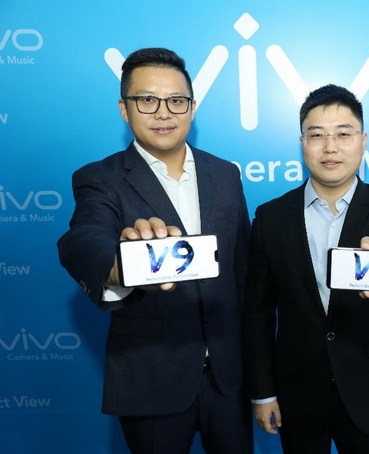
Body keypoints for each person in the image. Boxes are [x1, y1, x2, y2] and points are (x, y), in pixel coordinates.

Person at [57, 47, 253, 454]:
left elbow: (243, 273)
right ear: (124, 109)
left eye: (176, 100)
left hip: (228, 380)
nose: (164, 113)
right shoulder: (100, 178)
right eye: (147, 100)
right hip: (151, 380)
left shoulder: (225, 174)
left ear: (192, 107)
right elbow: (84, 238)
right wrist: (125, 265)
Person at [242, 84, 369, 454]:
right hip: (297, 391)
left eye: (343, 134)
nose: (330, 147)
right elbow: (257, 314)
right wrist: (262, 392)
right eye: (317, 135)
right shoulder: (270, 217)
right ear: (303, 143)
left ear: (363, 141)